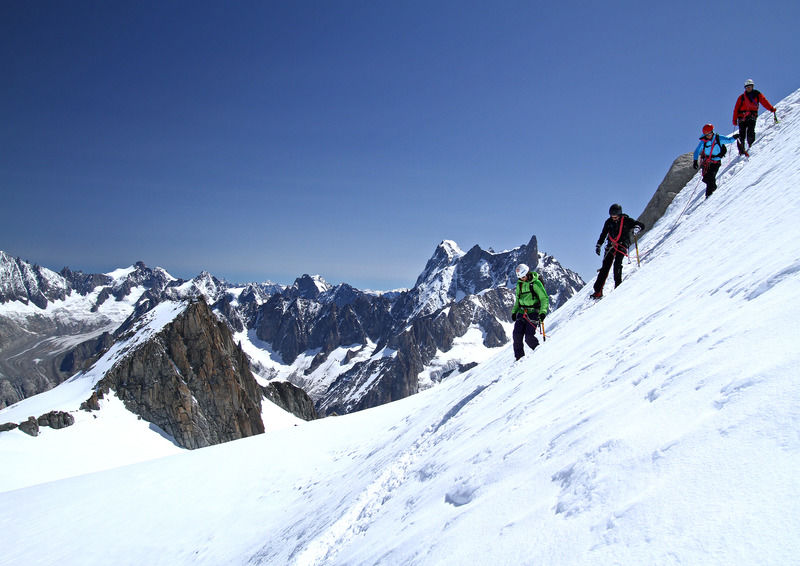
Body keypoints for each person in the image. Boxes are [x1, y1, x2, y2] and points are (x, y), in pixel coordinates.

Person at [590, 204, 645, 299]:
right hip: (611, 246)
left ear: (619, 214)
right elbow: (603, 234)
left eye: (615, 216)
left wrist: (637, 228)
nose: (613, 218)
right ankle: (598, 291)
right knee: (605, 268)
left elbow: (640, 225)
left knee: (617, 265)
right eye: (612, 216)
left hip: (622, 245)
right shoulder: (608, 222)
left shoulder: (627, 221)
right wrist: (599, 244)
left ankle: (618, 287)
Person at [510, 263, 549, 361]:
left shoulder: (536, 283)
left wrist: (543, 312)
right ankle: (519, 358)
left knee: (529, 337)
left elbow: (544, 298)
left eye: (523, 276)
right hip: (522, 311)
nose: (522, 279)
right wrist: (514, 312)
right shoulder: (520, 284)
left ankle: (540, 352)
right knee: (516, 335)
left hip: (533, 313)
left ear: (527, 273)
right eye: (520, 277)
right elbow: (518, 299)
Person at [692, 123, 738, 198]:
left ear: (712, 131)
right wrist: (695, 160)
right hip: (706, 162)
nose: (709, 135)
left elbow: (729, 140)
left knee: (711, 177)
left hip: (715, 162)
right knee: (706, 178)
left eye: (710, 133)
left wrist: (734, 137)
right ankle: (712, 188)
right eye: (707, 134)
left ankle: (709, 195)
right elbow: (697, 151)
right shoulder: (703, 141)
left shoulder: (718, 138)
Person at [733, 79, 776, 154]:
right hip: (741, 117)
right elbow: (736, 109)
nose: (748, 88)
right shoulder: (741, 97)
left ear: (752, 86)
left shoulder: (757, 94)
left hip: (752, 115)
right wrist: (734, 120)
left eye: (749, 86)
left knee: (750, 131)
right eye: (746, 87)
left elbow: (764, 102)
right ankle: (741, 151)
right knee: (741, 135)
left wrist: (771, 109)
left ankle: (751, 146)